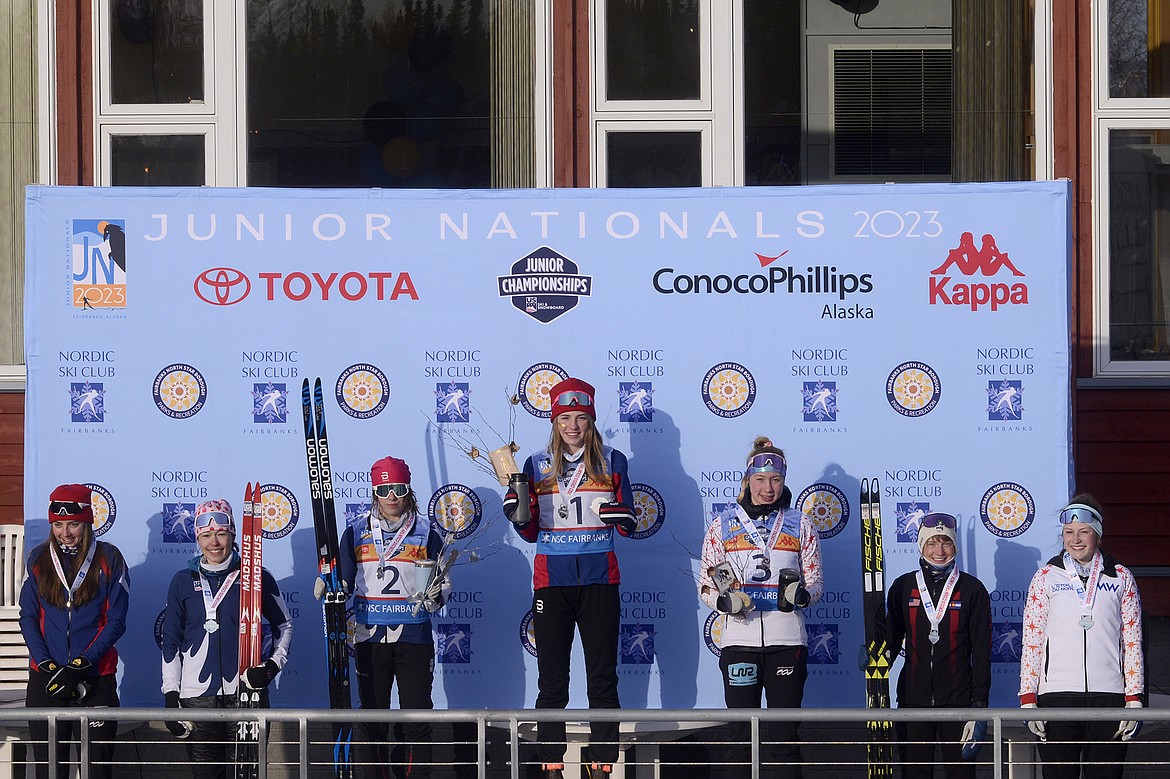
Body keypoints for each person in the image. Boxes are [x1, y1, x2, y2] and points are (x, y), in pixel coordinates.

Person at [503, 378, 637, 779]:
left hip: (599, 580)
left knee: (602, 678)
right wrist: (518, 512)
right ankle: (551, 763)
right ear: (554, 422)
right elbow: (529, 531)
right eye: (565, 418)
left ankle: (602, 763)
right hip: (552, 582)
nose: (573, 426)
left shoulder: (613, 460)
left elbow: (630, 522)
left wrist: (618, 514)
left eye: (580, 418)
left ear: (591, 421)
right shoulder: (535, 464)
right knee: (552, 681)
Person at [697, 437, 823, 779]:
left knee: (784, 736)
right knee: (740, 736)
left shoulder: (801, 524)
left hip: (787, 643)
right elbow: (707, 583)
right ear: (747, 480)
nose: (768, 488)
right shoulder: (722, 524)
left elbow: (815, 583)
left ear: (784, 480)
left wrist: (802, 597)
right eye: (761, 480)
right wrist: (721, 601)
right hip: (739, 640)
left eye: (776, 480)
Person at [160, 498, 293, 779]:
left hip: (247, 694)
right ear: (198, 538)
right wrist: (171, 695)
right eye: (206, 535)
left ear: (233, 534)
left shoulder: (256, 577)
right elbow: (170, 640)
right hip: (196, 698)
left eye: (221, 534)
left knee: (246, 774)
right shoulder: (183, 580)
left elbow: (284, 626)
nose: (214, 543)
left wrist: (270, 668)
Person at [335, 455, 449, 779]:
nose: (391, 497)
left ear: (408, 489)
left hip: (414, 635)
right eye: (384, 489)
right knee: (373, 716)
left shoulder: (426, 531)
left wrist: (435, 596)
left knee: (416, 714)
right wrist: (329, 585)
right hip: (370, 636)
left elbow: (444, 581)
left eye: (398, 488)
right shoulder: (356, 532)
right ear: (374, 492)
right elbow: (343, 581)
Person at [1018, 495, 1145, 779]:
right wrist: (1028, 697)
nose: (1076, 540)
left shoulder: (1121, 577)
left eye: (1084, 532)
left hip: (1109, 696)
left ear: (1097, 535)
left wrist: (1134, 698)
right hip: (1056, 697)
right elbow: (1033, 640)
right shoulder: (1045, 577)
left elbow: (1133, 640)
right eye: (1069, 533)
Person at [19, 484, 130, 779]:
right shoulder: (38, 559)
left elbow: (116, 620)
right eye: (58, 525)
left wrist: (82, 664)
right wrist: (45, 663)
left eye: (73, 524)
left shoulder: (109, 558)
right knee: (50, 771)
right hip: (48, 677)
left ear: (88, 522)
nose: (65, 532)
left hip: (95, 678)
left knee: (97, 770)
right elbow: (28, 617)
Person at [887, 512, 992, 778]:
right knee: (915, 774)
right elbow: (890, 637)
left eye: (946, 543)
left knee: (960, 774)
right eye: (932, 543)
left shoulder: (972, 589)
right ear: (921, 545)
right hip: (913, 700)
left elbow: (981, 651)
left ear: (955, 546)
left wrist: (979, 706)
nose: (939, 551)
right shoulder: (903, 586)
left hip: (958, 701)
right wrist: (875, 659)